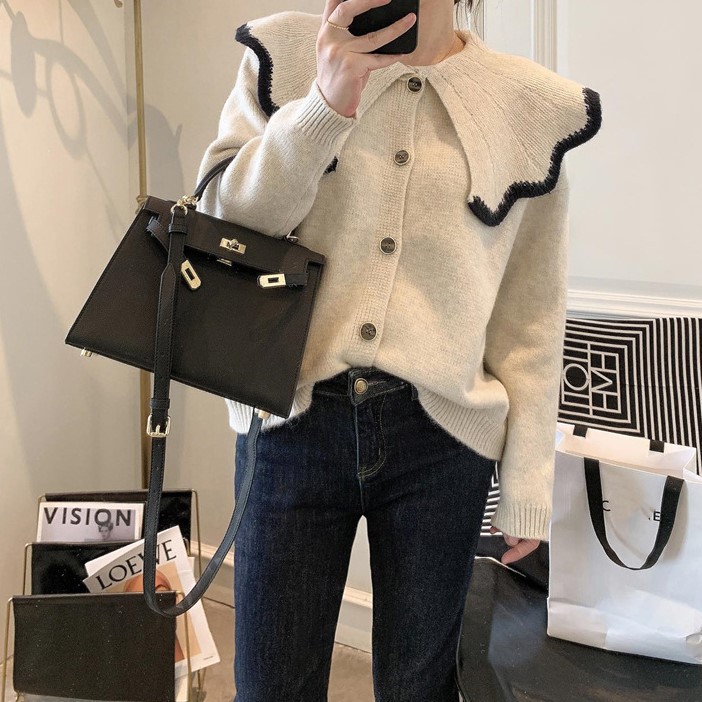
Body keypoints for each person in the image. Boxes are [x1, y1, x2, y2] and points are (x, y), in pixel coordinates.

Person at [196, 0, 603, 698]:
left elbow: (531, 318)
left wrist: (528, 484)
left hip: (443, 444)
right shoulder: (285, 54)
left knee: (421, 687)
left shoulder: (529, 106)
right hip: (290, 422)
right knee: (269, 686)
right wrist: (322, 105)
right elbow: (224, 223)